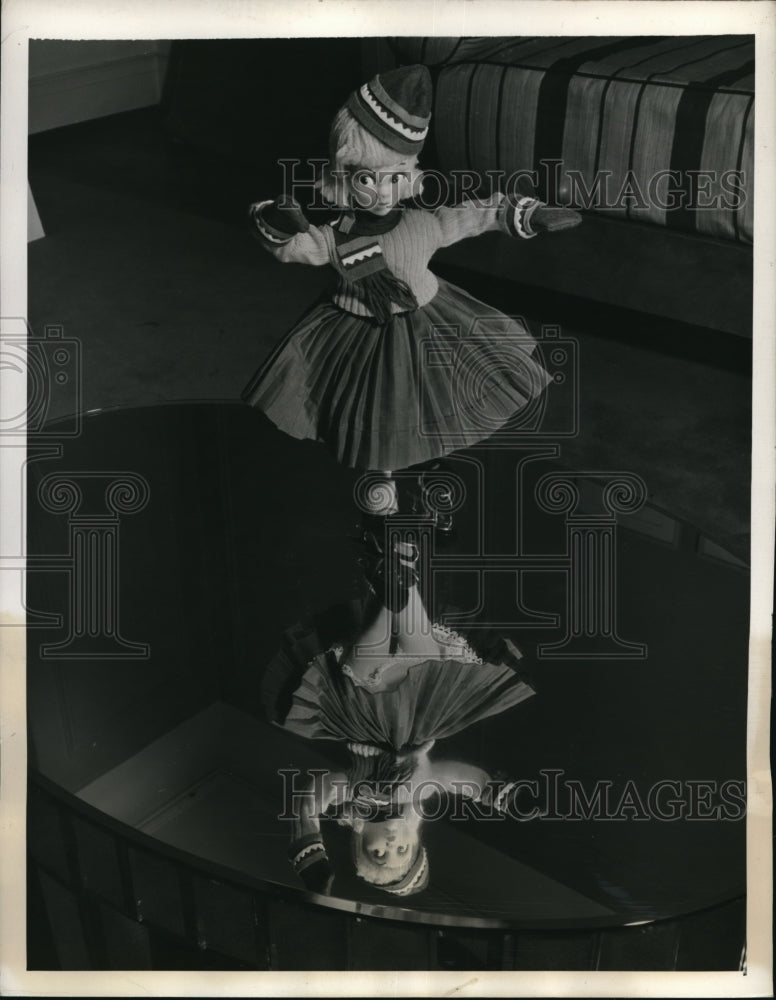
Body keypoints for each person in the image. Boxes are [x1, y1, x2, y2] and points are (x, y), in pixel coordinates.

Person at [243, 64, 581, 520]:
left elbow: (472, 215)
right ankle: (382, 489)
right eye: (366, 178)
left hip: (428, 319)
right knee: (373, 413)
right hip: (357, 330)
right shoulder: (337, 236)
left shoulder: (424, 224)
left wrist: (523, 214)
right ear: (343, 176)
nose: (382, 192)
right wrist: (280, 226)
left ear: (411, 174)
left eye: (394, 176)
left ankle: (421, 477)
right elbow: (298, 247)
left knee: (428, 401)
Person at [267, 532, 535, 896]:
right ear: (414, 836)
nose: (391, 844)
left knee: (363, 673)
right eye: (403, 851)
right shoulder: (419, 791)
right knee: (425, 657)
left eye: (379, 853)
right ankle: (395, 572)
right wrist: (498, 795)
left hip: (363, 713)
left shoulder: (356, 798)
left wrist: (310, 847)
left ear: (360, 841)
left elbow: (317, 794)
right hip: (422, 710)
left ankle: (391, 577)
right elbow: (457, 778)